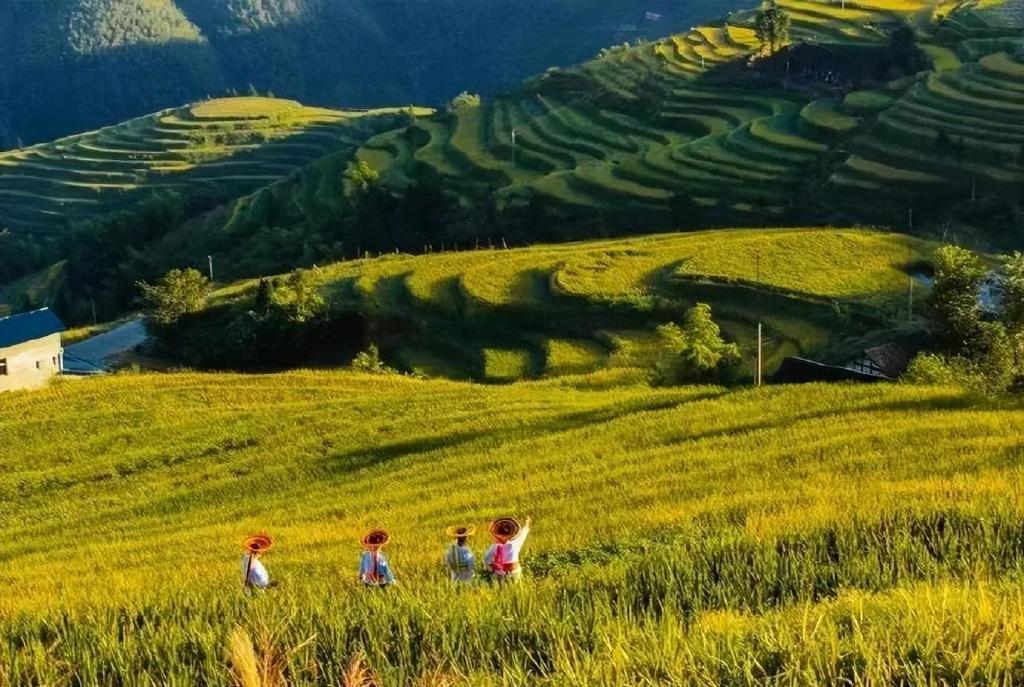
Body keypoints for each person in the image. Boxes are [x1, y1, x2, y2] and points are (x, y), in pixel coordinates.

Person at [484, 517, 531, 582]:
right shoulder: (514, 543)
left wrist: (490, 569)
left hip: (508, 572)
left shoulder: (496, 546)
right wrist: (526, 524)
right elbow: (523, 533)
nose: (503, 537)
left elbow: (486, 559)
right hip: (508, 572)